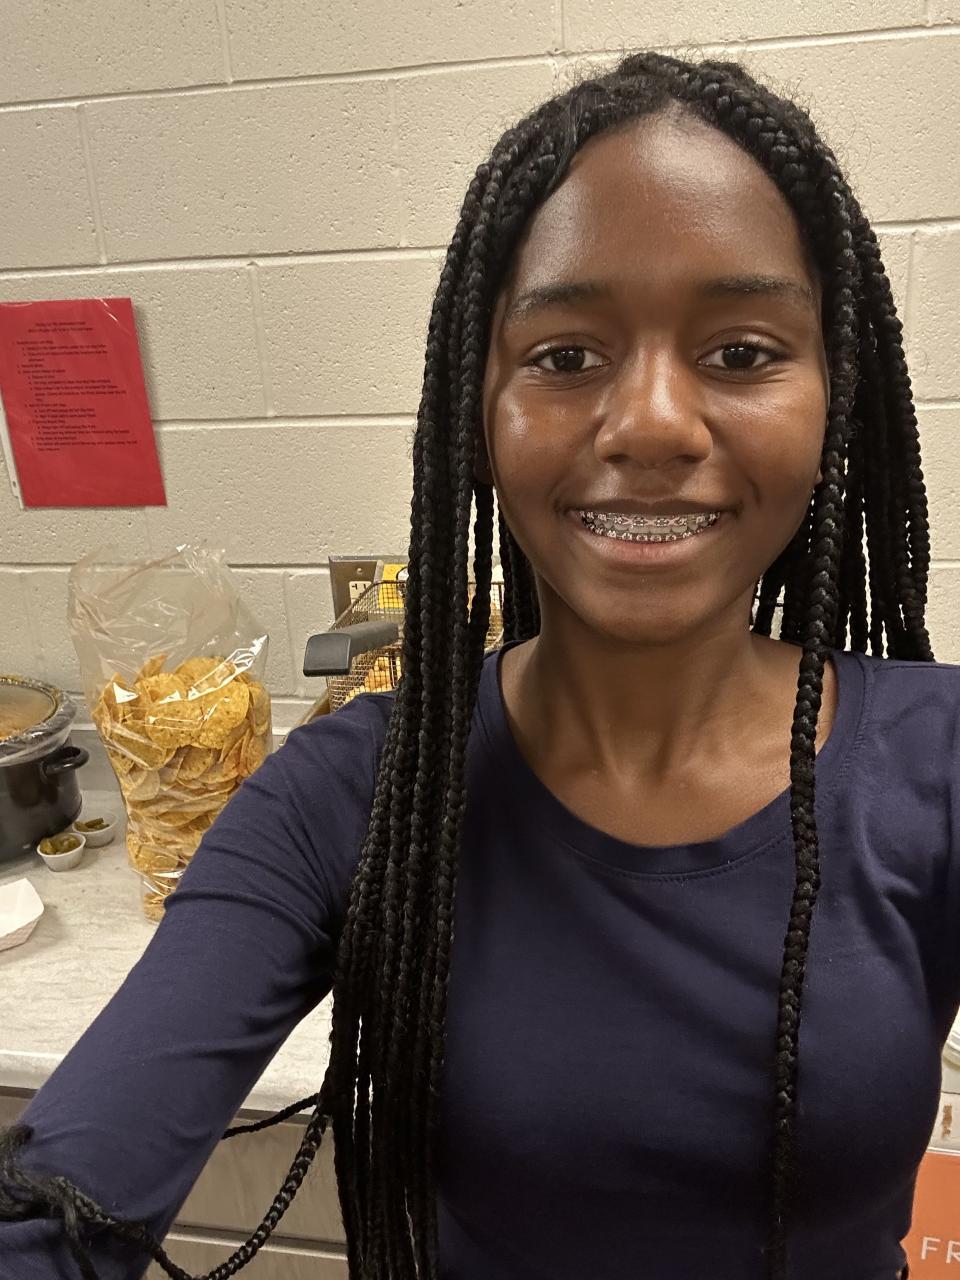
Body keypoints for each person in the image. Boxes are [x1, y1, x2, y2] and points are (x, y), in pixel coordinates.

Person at [0, 46, 949, 1280]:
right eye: (565, 357)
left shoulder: (936, 764)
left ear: (835, 399)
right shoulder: (352, 796)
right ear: (478, 411)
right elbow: (57, 1207)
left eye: (742, 352)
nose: (653, 423)